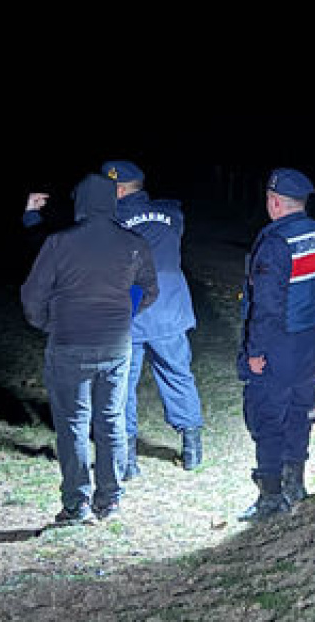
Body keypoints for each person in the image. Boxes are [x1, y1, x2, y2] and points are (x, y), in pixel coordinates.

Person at [20, 173, 158, 524]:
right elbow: (149, 289)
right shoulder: (134, 243)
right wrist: (123, 314)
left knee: (73, 423)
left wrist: (49, 323)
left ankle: (77, 502)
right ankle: (109, 499)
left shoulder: (59, 243)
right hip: (115, 345)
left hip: (70, 344)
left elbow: (32, 295)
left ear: (80, 202)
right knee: (111, 419)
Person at [237, 167, 315, 519]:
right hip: (309, 340)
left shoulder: (275, 243)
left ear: (274, 202)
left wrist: (255, 351)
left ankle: (270, 497)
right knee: (299, 413)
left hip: (277, 344)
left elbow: (266, 305)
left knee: (266, 418)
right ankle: (296, 483)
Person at [101, 160, 204, 476]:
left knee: (120, 384)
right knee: (177, 374)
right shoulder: (172, 213)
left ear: (118, 190)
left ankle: (127, 461)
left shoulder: (111, 220)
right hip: (169, 307)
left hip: (129, 310)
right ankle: (192, 448)